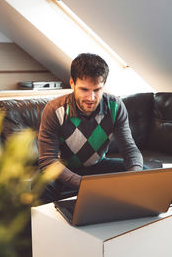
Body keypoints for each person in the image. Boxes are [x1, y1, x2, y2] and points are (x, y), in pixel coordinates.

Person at [38, 53, 143, 203]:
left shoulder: (116, 106)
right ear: (72, 83)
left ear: (104, 85)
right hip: (64, 169)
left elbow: (129, 149)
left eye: (97, 90)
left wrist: (135, 175)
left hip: (98, 165)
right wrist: (84, 184)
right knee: (42, 185)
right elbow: (48, 161)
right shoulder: (54, 110)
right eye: (84, 89)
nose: (91, 98)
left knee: (145, 173)